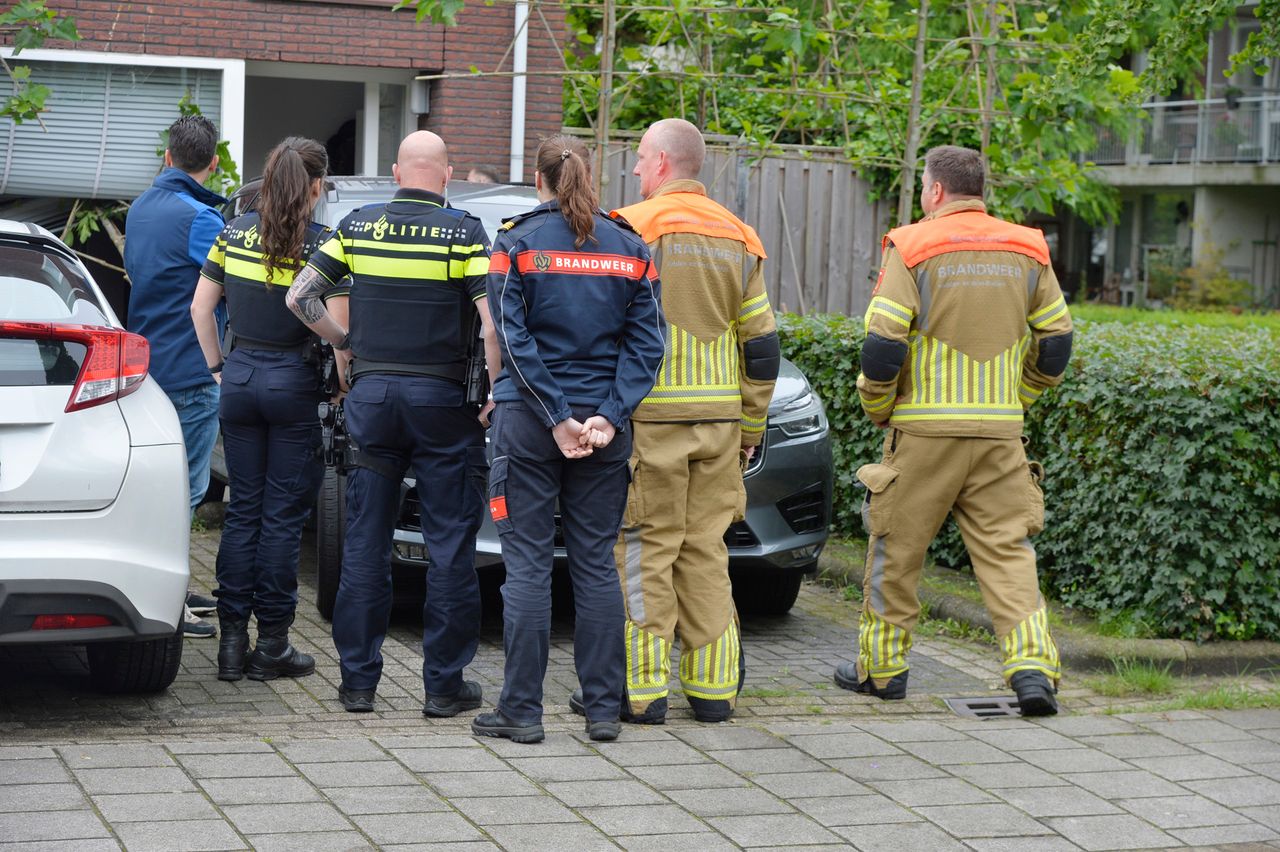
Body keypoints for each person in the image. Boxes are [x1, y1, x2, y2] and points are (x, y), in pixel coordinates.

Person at [836, 145, 1073, 717]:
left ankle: (884, 672)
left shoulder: (913, 245)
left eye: (922, 184)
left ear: (935, 191)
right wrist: (1019, 398)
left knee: (896, 552)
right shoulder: (1028, 247)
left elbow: (883, 345)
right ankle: (1033, 670)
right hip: (1000, 436)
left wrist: (878, 407)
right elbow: (1058, 341)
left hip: (922, 434)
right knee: (1009, 552)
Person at [287, 130, 499, 716]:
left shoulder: (357, 225)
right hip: (443, 404)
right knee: (451, 546)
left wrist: (346, 345)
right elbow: (489, 322)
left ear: (394, 172)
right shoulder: (464, 232)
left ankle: (358, 683)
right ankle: (443, 687)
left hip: (373, 399)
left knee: (365, 543)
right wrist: (495, 390)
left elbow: (301, 298)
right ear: (448, 174)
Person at [470, 136, 665, 745]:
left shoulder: (516, 242)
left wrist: (557, 416)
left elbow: (511, 339)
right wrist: (607, 416)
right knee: (595, 567)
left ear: (539, 179)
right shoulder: (631, 246)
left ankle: (522, 712)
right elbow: (649, 344)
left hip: (530, 426)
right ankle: (604, 710)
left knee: (526, 565)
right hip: (605, 434)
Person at [585, 118, 779, 725]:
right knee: (705, 550)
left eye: (641, 159)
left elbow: (599, 332)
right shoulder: (740, 236)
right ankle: (715, 692)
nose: (636, 170)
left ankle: (642, 694)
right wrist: (751, 425)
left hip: (651, 423)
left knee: (645, 548)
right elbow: (762, 347)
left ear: (664, 163)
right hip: (720, 425)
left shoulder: (629, 229)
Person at [191, 136, 339, 682]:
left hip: (241, 377)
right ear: (316, 186)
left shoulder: (231, 234)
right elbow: (329, 320)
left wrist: (216, 368)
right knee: (281, 517)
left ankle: (231, 642)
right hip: (293, 383)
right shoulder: (323, 244)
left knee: (243, 512)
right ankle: (272, 644)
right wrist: (343, 362)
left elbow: (200, 308)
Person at [124, 114, 227, 639]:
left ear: (167, 156)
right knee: (184, 489)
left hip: (146, 369)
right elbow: (228, 289)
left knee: (161, 487)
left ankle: (169, 585)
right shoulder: (200, 220)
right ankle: (166, 600)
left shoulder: (140, 208)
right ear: (212, 163)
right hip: (190, 369)